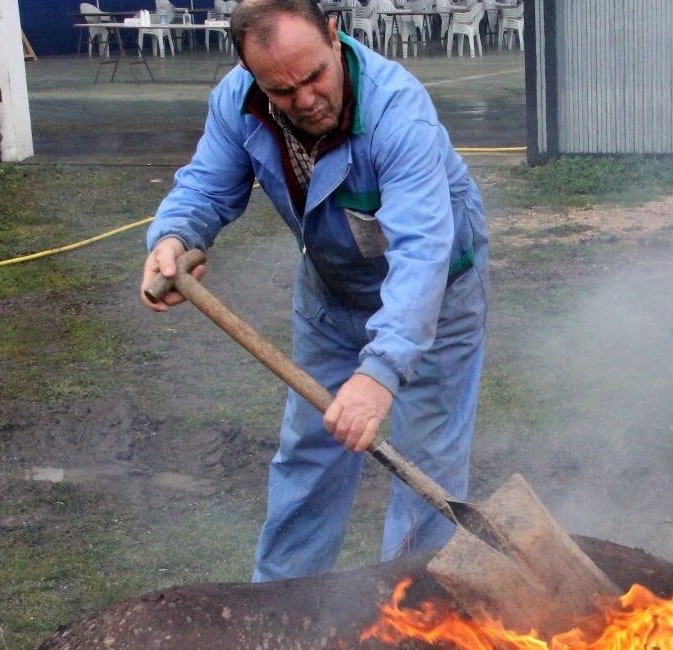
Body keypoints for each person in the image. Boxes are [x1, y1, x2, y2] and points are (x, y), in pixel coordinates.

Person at [141, 0, 489, 582]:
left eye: (313, 77)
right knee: (309, 455)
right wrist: (174, 237)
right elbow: (205, 187)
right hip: (332, 291)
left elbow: (423, 255)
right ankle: (281, 615)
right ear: (252, 75)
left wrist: (379, 373)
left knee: (424, 467)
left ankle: (414, 621)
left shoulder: (397, 114)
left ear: (334, 34)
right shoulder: (239, 101)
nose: (304, 100)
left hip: (437, 294)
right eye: (282, 90)